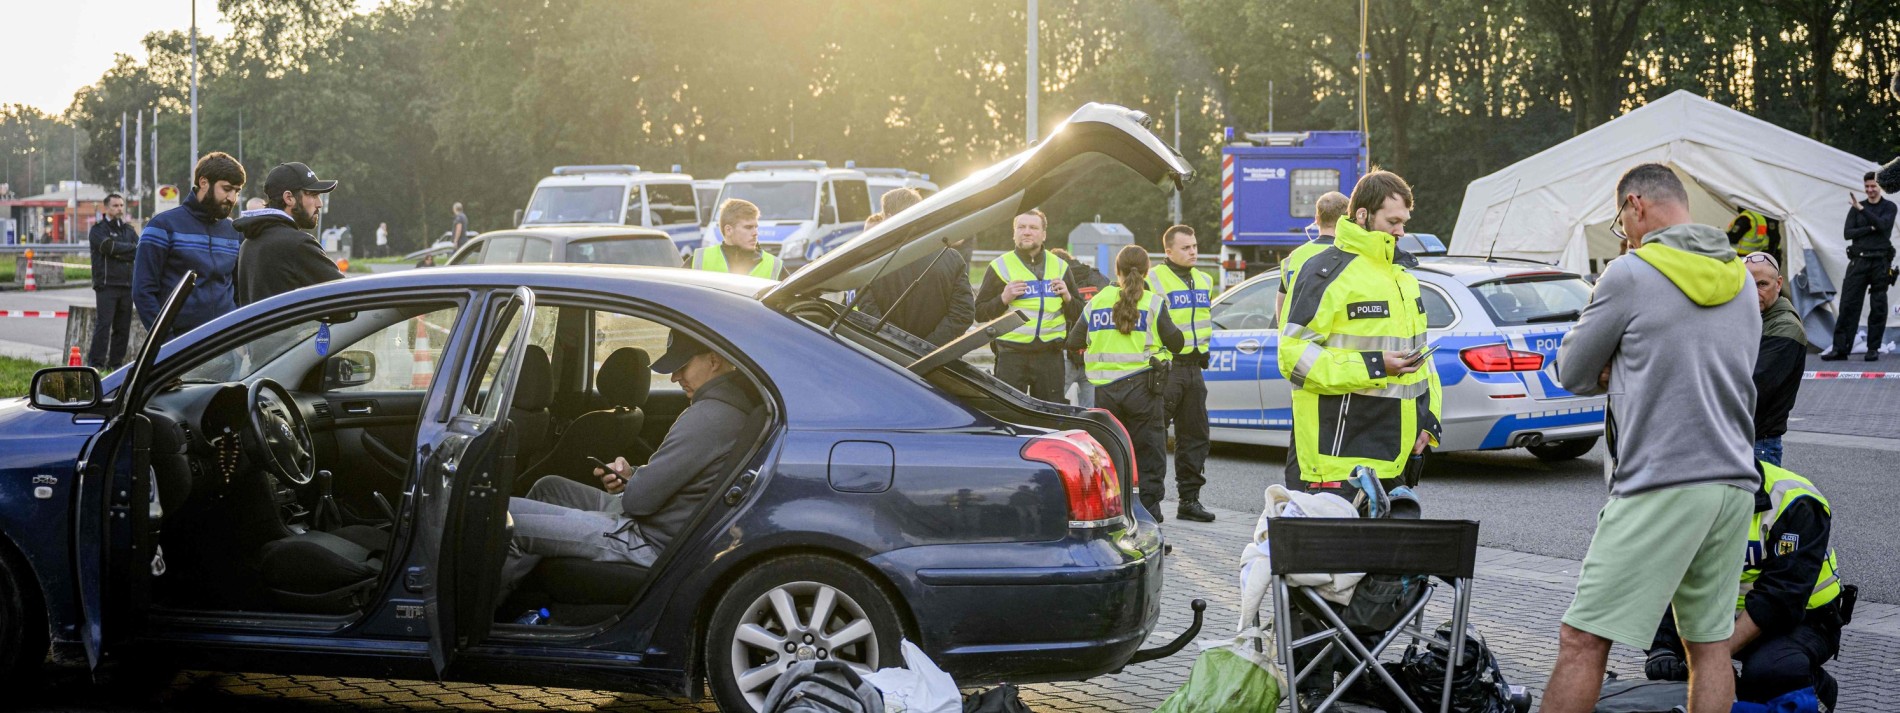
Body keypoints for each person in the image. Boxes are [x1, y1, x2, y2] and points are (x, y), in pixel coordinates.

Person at [1545, 163, 1761, 713]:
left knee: (1582, 639)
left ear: (1635, 205)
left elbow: (1571, 372)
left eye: (1622, 221)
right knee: (1709, 646)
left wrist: (1616, 360)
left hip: (1659, 481)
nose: (1625, 233)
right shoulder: (1742, 280)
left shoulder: (1630, 274)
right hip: (1733, 483)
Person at [498, 329, 761, 604]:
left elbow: (637, 502)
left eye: (682, 366)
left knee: (504, 524)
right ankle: (525, 591)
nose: (674, 377)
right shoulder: (729, 409)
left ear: (714, 360)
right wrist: (632, 475)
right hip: (656, 524)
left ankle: (487, 622)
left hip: (647, 540)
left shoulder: (708, 417)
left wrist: (634, 484)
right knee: (549, 488)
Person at [1277, 173, 1440, 495]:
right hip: (1340, 459)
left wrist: (1429, 423)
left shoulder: (1402, 276)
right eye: (1393, 221)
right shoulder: (1325, 271)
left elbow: (1423, 361)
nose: (1401, 231)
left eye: (1404, 222)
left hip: (1397, 453)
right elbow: (1293, 357)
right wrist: (1375, 366)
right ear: (1363, 215)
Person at [1643, 461, 1850, 711]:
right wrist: (1661, 646)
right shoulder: (1682, 493)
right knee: (1672, 670)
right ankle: (1733, 693)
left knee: (1768, 672)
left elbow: (1780, 597)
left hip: (1801, 620)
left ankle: (1815, 687)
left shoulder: (1796, 501)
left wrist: (1711, 658)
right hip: (1721, 615)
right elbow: (1662, 576)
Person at [1066, 245, 1182, 521]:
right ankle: (1148, 520)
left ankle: (1115, 518)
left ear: (1115, 271)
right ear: (1146, 272)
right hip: (1143, 390)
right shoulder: (1153, 303)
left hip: (1106, 394)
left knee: (1111, 456)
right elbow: (1177, 342)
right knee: (1149, 457)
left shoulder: (1096, 302)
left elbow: (1073, 342)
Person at [1277, 191, 1349, 489]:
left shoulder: (1293, 259)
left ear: (1316, 219)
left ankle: (1296, 494)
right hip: (1333, 352)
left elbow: (1280, 309)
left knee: (1302, 430)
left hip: (1298, 352)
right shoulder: (1348, 257)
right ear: (1347, 218)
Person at [134, 151, 245, 340]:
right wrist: (167, 342)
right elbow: (143, 291)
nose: (232, 198)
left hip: (226, 345)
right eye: (226, 189)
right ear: (203, 183)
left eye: (237, 191)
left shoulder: (234, 231)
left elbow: (238, 289)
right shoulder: (162, 226)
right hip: (181, 347)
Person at [976, 209, 1083, 401]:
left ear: (1043, 234)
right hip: (1011, 355)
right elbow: (979, 313)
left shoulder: (1060, 267)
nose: (1026, 232)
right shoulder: (1000, 266)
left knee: (1050, 416)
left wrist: (1067, 297)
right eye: (1021, 227)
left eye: (1033, 227)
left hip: (1050, 357)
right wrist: (1003, 298)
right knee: (1008, 415)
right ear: (1014, 233)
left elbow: (1079, 313)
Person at [1147, 225, 1216, 523]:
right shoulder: (1153, 279)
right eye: (1186, 247)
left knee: (1195, 436)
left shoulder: (1204, 279)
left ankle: (1189, 500)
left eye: (1195, 246)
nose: (1193, 252)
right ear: (1169, 251)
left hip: (1194, 368)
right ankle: (1151, 502)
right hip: (1167, 367)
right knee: (1155, 435)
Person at [857, 188, 973, 345]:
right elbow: (963, 314)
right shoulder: (951, 258)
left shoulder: (870, 262)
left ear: (889, 218)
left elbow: (869, 313)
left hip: (886, 356)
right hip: (938, 360)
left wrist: (901, 345)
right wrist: (927, 348)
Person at [234, 162, 343, 306]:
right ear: (289, 198)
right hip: (296, 330)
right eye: (313, 195)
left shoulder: (248, 243)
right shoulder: (298, 244)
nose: (319, 204)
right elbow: (343, 300)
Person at [1821, 171, 1896, 361]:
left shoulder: (1889, 206)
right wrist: (1869, 228)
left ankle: (1873, 348)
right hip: (1859, 261)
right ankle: (1840, 349)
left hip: (1880, 261)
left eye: (1873, 186)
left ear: (1880, 187)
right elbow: (1848, 233)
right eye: (1867, 186)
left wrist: (1863, 211)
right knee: (1848, 304)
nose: (1870, 190)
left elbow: (1883, 226)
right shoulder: (1855, 208)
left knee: (1878, 305)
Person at [1745, 253, 1804, 466]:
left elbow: (1753, 385)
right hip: (1743, 438)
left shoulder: (1785, 327)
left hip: (1758, 443)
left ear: (1778, 284)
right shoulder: (1750, 317)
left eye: (1762, 284)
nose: (1754, 292)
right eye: (1747, 284)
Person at [1050, 247, 1110, 408]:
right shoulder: (1098, 278)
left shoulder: (1055, 278)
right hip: (1095, 355)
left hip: (1065, 354)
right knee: (1090, 412)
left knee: (1051, 406)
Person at [87, 193, 138, 369]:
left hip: (127, 285)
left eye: (121, 205)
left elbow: (138, 251)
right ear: (106, 208)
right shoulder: (98, 230)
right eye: (115, 205)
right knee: (103, 326)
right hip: (107, 285)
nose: (119, 209)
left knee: (122, 329)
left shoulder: (129, 230)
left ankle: (116, 365)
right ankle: (96, 364)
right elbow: (107, 247)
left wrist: (119, 251)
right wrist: (126, 250)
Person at [693, 198, 782, 279]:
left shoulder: (773, 265)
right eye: (748, 227)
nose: (755, 233)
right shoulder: (699, 259)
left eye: (756, 227)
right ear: (728, 230)